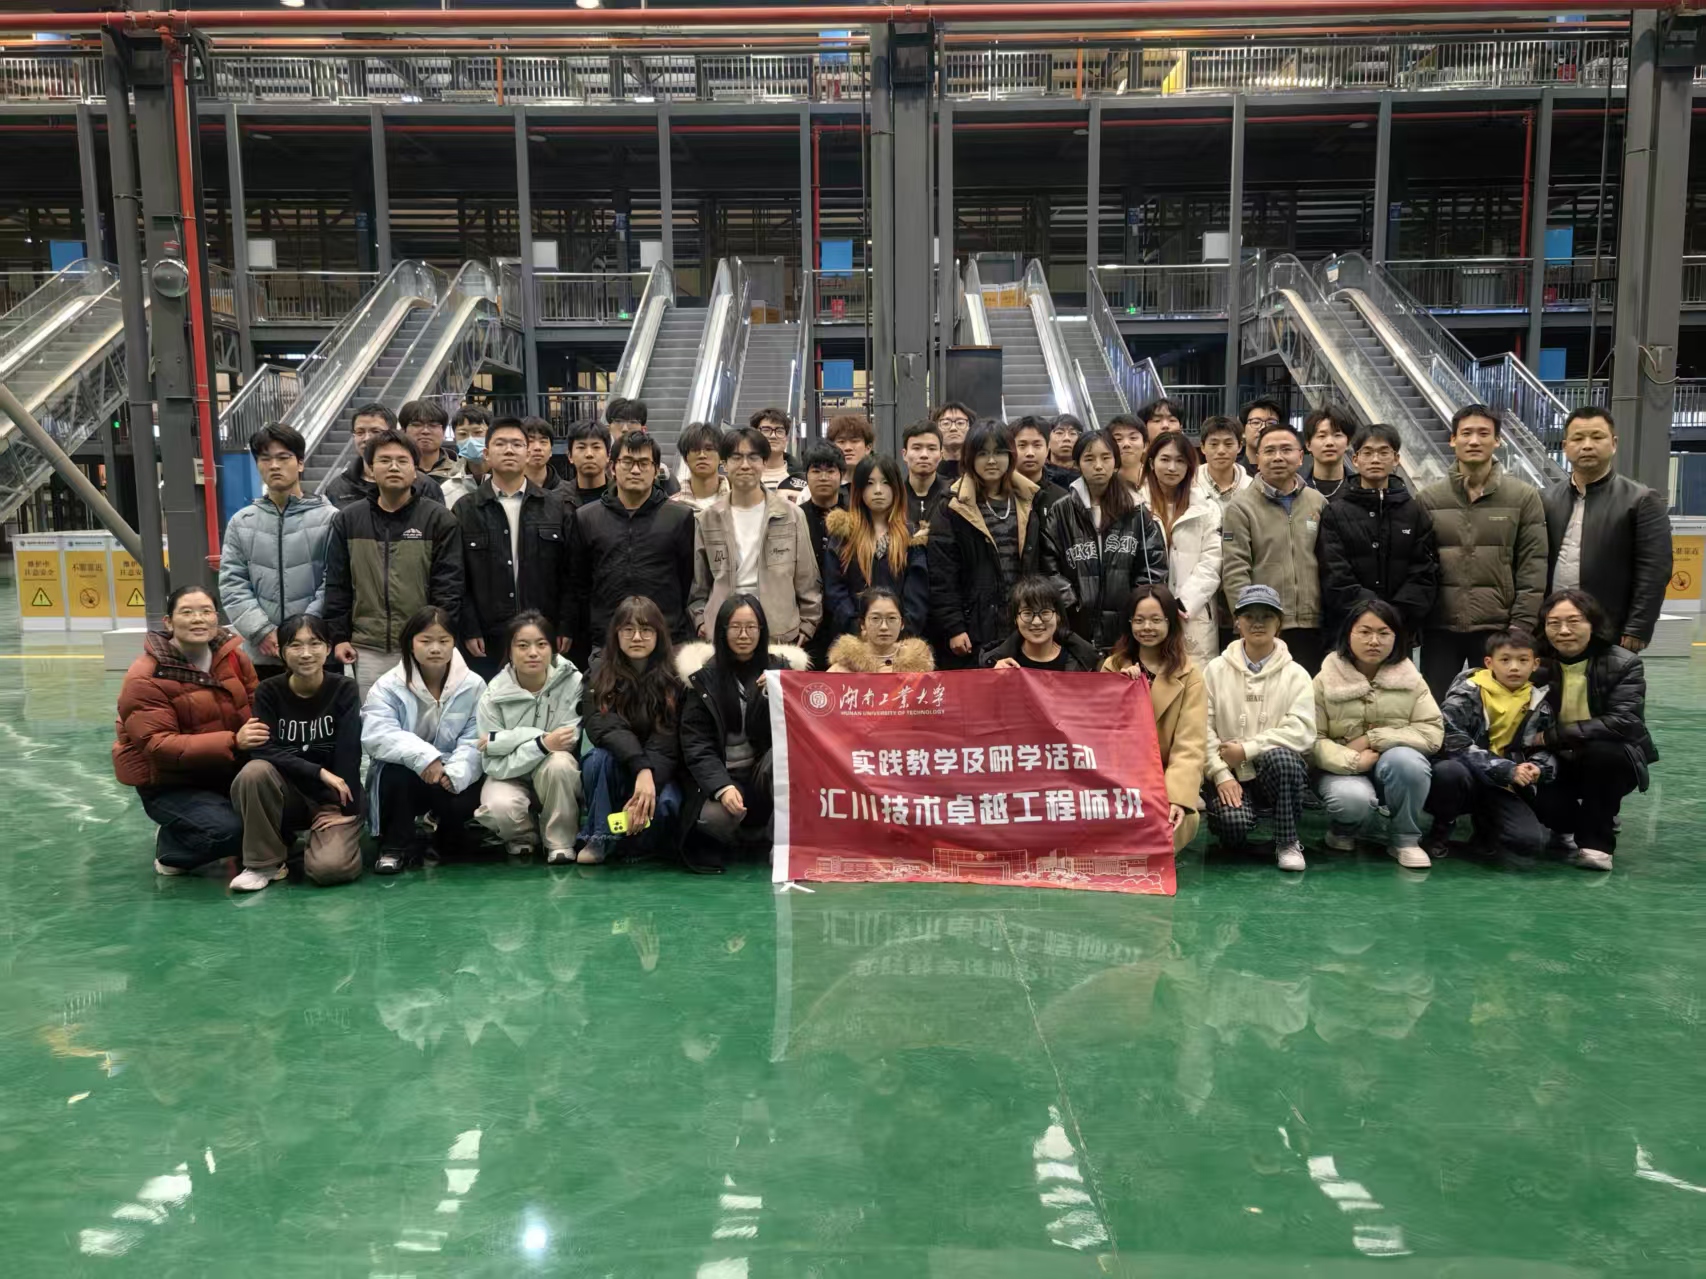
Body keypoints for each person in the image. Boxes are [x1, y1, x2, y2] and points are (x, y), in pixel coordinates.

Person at [114, 585, 262, 876]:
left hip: (224, 771)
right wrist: (234, 741)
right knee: (229, 832)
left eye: (206, 611)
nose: (198, 619)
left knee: (284, 816)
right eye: (187, 612)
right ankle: (172, 848)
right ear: (168, 622)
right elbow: (158, 745)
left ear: (216, 617)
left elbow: (256, 704)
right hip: (172, 784)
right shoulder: (146, 677)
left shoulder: (234, 658)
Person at [1418, 403, 1549, 701]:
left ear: (1497, 440)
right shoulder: (1428, 499)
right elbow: (1418, 565)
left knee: (1498, 710)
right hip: (1440, 628)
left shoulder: (1523, 497)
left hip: (1498, 628)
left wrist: (1521, 625)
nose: (1474, 441)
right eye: (1466, 433)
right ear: (1453, 440)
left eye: (1483, 433)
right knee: (1438, 708)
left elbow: (1533, 565)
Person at [322, 430, 464, 701]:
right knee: (373, 718)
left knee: (425, 718)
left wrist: (436, 637)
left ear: (415, 469)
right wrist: (339, 636)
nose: (394, 467)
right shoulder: (349, 520)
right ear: (370, 468)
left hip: (422, 643)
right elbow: (337, 584)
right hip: (366, 647)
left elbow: (449, 586)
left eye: (402, 460)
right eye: (384, 460)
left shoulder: (438, 519)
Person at [228, 613, 363, 891]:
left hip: (330, 799)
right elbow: (263, 749)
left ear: (328, 648)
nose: (306, 654)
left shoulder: (344, 688)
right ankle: (264, 864)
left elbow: (350, 751)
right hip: (286, 794)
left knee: (330, 869)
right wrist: (319, 772)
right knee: (254, 772)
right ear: (281, 651)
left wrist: (348, 810)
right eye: (295, 645)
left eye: (315, 643)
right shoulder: (269, 691)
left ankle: (321, 840)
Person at [678, 595, 809, 872]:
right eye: (735, 627)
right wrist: (721, 787)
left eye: (751, 627)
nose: (744, 635)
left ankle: (782, 844)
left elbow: (800, 731)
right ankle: (738, 839)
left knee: (784, 758)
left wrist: (779, 694)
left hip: (763, 775)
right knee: (714, 818)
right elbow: (696, 744)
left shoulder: (781, 670)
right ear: (722, 631)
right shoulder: (702, 677)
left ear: (762, 630)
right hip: (725, 777)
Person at [1531, 589, 1659, 871]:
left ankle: (1596, 844)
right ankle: (1574, 822)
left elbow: (1623, 721)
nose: (1564, 631)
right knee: (1537, 791)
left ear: (1593, 623)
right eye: (1553, 623)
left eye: (1574, 621)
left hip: (1608, 757)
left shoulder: (1624, 662)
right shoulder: (1534, 663)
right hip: (1553, 757)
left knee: (1603, 755)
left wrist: (1553, 736)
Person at [1311, 601, 1444, 869]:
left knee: (1407, 762)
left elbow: (1431, 732)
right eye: (1364, 632)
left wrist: (1373, 739)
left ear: (1397, 637)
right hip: (1339, 769)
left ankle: (1405, 840)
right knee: (1352, 800)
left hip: (1391, 767)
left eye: (1384, 633)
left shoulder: (1412, 680)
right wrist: (1351, 760)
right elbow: (1311, 739)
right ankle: (1343, 830)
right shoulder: (1324, 680)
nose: (1374, 641)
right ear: (1348, 634)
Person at [362, 606, 485, 874]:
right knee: (393, 773)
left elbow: (476, 736)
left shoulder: (474, 685)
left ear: (454, 643)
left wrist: (455, 772)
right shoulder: (388, 685)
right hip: (408, 772)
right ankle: (394, 846)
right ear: (410, 643)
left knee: (472, 780)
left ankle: (447, 835)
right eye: (426, 641)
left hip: (450, 770)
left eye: (444, 641)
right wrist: (426, 758)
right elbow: (378, 733)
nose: (435, 649)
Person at [1201, 584, 1316, 872]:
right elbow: (1202, 728)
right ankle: (1235, 831)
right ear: (1237, 622)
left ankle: (1287, 841)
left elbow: (1302, 730)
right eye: (1249, 616)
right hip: (1230, 772)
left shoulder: (1297, 674)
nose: (1257, 623)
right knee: (1233, 825)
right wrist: (1220, 773)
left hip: (1273, 773)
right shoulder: (1214, 670)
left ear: (1279, 623)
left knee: (1283, 759)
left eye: (1267, 616)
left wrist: (1248, 749)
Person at [1542, 407, 1671, 651]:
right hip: (1551, 631)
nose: (1587, 445)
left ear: (1613, 444)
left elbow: (1654, 571)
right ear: (1565, 446)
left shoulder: (1641, 500)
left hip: (1610, 629)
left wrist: (1638, 626)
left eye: (1597, 437)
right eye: (1578, 438)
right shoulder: (1545, 499)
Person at [454, 416, 572, 681]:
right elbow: (458, 577)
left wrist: (566, 625)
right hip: (487, 637)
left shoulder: (556, 507)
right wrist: (469, 628)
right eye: (500, 444)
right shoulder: (466, 509)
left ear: (527, 453)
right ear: (486, 453)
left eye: (517, 444)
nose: (509, 450)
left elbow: (570, 574)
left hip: (543, 633)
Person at [1426, 627, 1556, 866]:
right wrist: (1504, 768)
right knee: (1448, 772)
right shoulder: (1468, 691)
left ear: (1535, 664)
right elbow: (1452, 740)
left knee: (1527, 843)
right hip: (1467, 774)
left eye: (1523, 660)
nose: (1514, 667)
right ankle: (1441, 828)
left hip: (1505, 783)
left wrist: (1539, 767)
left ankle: (1485, 829)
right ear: (1489, 662)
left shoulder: (1541, 701)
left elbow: (1545, 746)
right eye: (1505, 660)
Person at [219, 423, 338, 680]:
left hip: (316, 651)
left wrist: (303, 633)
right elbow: (232, 583)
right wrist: (261, 631)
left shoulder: (330, 519)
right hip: (262, 653)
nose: (274, 465)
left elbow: (335, 581)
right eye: (265, 459)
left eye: (283, 458)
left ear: (300, 463)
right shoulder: (242, 522)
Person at [577, 596, 686, 864]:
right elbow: (604, 726)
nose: (637, 637)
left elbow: (668, 738)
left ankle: (636, 846)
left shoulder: (676, 676)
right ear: (616, 634)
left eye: (646, 629)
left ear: (659, 634)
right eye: (628, 629)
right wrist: (640, 767)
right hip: (617, 770)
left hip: (659, 771)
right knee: (596, 759)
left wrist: (649, 779)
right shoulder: (598, 672)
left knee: (667, 804)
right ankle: (599, 838)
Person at [1040, 428, 1168, 655]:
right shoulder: (1061, 511)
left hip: (1126, 627)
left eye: (1106, 457)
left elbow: (1153, 566)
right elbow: (1048, 565)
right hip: (1075, 627)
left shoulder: (1136, 511)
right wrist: (1073, 603)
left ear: (1116, 462)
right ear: (1078, 464)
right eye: (1089, 459)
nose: (1098, 465)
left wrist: (1134, 604)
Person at [689, 426, 821, 646]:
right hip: (723, 633)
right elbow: (699, 584)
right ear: (724, 464)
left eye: (753, 457)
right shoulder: (708, 519)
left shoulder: (790, 515)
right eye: (736, 457)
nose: (745, 465)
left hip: (778, 632)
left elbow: (807, 578)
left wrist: (808, 624)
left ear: (764, 462)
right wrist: (702, 621)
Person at [927, 421, 1044, 668]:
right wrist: (954, 626)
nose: (991, 461)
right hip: (973, 626)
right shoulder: (952, 505)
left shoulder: (1028, 500)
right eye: (982, 453)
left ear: (1010, 456)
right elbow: (942, 575)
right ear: (969, 458)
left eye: (999, 452)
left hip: (1022, 622)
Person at [473, 610, 584, 865]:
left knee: (560, 764)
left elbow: (568, 741)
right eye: (522, 646)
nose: (533, 653)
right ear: (510, 651)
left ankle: (559, 841)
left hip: (551, 770)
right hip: (509, 774)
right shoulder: (493, 694)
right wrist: (541, 742)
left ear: (553, 649)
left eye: (541, 644)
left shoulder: (573, 682)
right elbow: (493, 764)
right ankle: (524, 836)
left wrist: (505, 741)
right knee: (498, 806)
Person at [1101, 583, 1206, 851]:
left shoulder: (1190, 675)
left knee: (1172, 824)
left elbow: (1190, 745)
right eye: (1139, 620)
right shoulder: (1112, 666)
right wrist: (1120, 689)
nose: (1147, 627)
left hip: (1164, 780)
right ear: (1129, 624)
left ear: (1171, 622)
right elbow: (1100, 732)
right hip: (1118, 778)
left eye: (1156, 620)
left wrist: (1177, 798)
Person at [570, 430, 697, 648]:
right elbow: (580, 582)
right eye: (627, 462)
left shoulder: (679, 517)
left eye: (644, 463)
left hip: (666, 638)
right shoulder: (587, 517)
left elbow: (687, 579)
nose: (635, 470)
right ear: (612, 467)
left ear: (656, 470)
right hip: (607, 639)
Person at [1220, 421, 1329, 674]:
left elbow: (1329, 563)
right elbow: (1235, 570)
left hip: (1313, 623)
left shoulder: (1317, 502)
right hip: (1265, 624)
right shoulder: (1241, 507)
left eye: (1286, 449)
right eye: (1269, 451)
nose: (1278, 457)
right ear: (1257, 459)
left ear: (1300, 457)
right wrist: (1246, 620)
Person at [1317, 422, 1439, 646]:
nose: (1375, 459)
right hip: (1349, 629)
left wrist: (1394, 616)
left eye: (1384, 452)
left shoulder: (1414, 511)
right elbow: (1334, 573)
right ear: (1355, 460)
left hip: (1399, 630)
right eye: (1368, 452)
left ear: (1396, 459)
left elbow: (1424, 571)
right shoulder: (1335, 512)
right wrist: (1369, 613)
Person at [1137, 428, 1223, 669]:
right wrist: (1153, 605)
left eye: (1180, 461)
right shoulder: (1135, 505)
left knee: (1194, 682)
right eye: (1165, 459)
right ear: (1151, 463)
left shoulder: (1206, 508)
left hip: (1193, 612)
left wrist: (1184, 602)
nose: (1172, 467)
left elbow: (1212, 561)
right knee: (1149, 680)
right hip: (1147, 612)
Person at [823, 452, 929, 639]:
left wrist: (900, 632)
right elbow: (835, 591)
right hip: (852, 639)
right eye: (870, 483)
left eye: (886, 482)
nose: (878, 490)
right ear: (859, 489)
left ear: (896, 487)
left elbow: (917, 596)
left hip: (901, 641)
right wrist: (858, 628)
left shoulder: (912, 537)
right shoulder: (843, 536)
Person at [321, 403, 445, 508]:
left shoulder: (423, 485)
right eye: (360, 432)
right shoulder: (338, 487)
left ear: (393, 434)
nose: (367, 438)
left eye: (375, 431)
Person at [798, 441, 850, 668]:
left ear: (842, 475)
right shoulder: (794, 517)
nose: (823, 477)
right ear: (806, 475)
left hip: (847, 617)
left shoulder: (856, 515)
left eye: (830, 471)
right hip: (807, 621)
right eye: (816, 471)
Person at [986, 575, 1101, 671]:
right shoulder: (999, 664)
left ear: (1058, 616)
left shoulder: (1084, 664)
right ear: (1015, 619)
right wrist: (993, 677)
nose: (1037, 622)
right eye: (1027, 613)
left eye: (1045, 612)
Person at [827, 586, 936, 673]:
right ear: (862, 624)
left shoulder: (919, 666)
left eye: (892, 618)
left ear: (902, 623)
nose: (884, 627)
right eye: (875, 618)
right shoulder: (844, 667)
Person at [901, 419, 951, 533]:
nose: (924, 455)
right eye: (916, 448)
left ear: (941, 455)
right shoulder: (894, 496)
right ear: (904, 454)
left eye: (931, 449)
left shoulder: (952, 494)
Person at [1011, 415, 1070, 511]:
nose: (1030, 453)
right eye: (1022, 445)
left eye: (1037, 445)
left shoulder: (1062, 499)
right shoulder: (998, 494)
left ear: (1047, 449)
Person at [1197, 415, 1253, 514]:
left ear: (1239, 447)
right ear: (1203, 447)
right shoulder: (1190, 485)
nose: (1221, 451)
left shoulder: (1251, 487)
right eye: (1214, 444)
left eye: (1228, 444)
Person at [671, 421, 729, 514]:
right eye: (695, 450)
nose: (702, 455)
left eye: (709, 449)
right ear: (685, 458)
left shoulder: (739, 502)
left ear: (721, 456)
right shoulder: (671, 507)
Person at [401, 398, 461, 486]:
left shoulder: (460, 473)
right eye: (417, 425)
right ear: (403, 431)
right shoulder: (395, 471)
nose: (425, 431)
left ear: (443, 431)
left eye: (433, 425)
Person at [441, 404, 491, 508]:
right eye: (463, 434)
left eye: (478, 432)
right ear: (455, 439)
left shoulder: (507, 480)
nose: (471, 440)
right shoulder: (447, 491)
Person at [1301, 404, 1356, 499]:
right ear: (1308, 444)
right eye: (1322, 436)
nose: (1329, 442)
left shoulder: (1360, 488)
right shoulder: (1296, 488)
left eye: (1337, 435)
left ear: (1348, 442)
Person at [752, 407, 806, 495]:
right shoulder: (743, 475)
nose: (773, 436)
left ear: (786, 439)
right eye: (766, 430)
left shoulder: (802, 478)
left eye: (779, 431)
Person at [563, 420, 612, 510]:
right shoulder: (557, 499)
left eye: (596, 447)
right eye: (581, 447)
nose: (589, 454)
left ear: (608, 455)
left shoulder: (621, 496)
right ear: (570, 456)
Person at [1238, 398, 1285, 473]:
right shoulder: (1234, 472)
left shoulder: (1288, 471)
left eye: (1271, 423)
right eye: (1256, 422)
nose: (1263, 427)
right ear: (1243, 431)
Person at [1105, 414, 1147, 494]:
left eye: (1133, 438)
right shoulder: (1105, 482)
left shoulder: (1158, 477)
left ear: (1145, 445)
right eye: (1118, 439)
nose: (1126, 444)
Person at [521, 415, 564, 493]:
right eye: (530, 441)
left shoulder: (566, 493)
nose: (537, 447)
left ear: (551, 451)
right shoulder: (506, 491)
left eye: (543, 442)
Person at [932, 401, 973, 481]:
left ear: (970, 428)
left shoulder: (977, 469)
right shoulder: (929, 468)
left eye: (960, 423)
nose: (953, 428)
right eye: (946, 423)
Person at [1046, 414, 1082, 487]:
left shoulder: (1088, 474)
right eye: (1059, 433)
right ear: (1047, 440)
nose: (1067, 438)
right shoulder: (1038, 474)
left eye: (1072, 433)